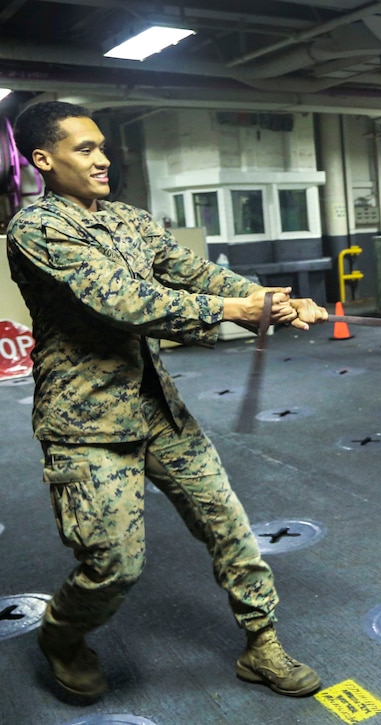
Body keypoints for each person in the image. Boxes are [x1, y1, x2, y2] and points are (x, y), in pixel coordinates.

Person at [7, 100, 328, 700]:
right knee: (114, 567)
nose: (103, 159)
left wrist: (273, 300)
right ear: (43, 161)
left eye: (103, 146)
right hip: (86, 423)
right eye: (85, 150)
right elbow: (125, 301)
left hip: (159, 410)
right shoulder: (37, 229)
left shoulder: (131, 221)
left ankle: (262, 644)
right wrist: (236, 312)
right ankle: (62, 637)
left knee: (230, 527)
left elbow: (197, 273)